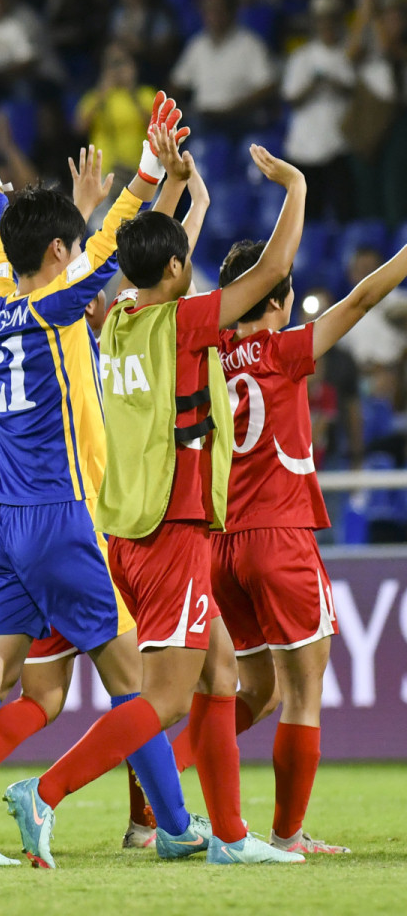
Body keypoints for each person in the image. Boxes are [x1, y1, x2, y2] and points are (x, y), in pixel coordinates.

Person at [3, 137, 311, 868]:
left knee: (221, 675)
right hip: (173, 530)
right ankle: (45, 792)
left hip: (134, 534)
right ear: (177, 270)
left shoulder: (119, 322)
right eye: (183, 260)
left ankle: (230, 838)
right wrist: (295, 187)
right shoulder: (185, 321)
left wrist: (185, 194)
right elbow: (270, 271)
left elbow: (155, 260)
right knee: (168, 699)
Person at [0, 107, 194, 867]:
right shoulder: (53, 309)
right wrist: (147, 173)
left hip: (2, 518)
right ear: (57, 250)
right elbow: (110, 245)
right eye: (69, 249)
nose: (81, 257)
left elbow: (8, 240)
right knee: (133, 680)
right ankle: (174, 825)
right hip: (60, 514)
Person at [202, 232, 407, 855]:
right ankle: (288, 836)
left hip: (218, 546)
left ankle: (159, 773)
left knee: (255, 691)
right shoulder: (285, 351)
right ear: (280, 300)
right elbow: (364, 299)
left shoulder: (203, 354)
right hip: (278, 536)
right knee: (302, 694)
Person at [282, 0, 396, 221]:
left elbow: (361, 88)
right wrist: (314, 85)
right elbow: (291, 99)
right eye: (321, 20)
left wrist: (336, 85)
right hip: (304, 148)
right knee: (307, 216)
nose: (327, 25)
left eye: (332, 19)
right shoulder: (302, 57)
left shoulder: (349, 53)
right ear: (315, 23)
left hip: (339, 147)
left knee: (345, 211)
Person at [170, 0, 276, 139]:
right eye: (208, 11)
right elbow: (178, 83)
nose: (213, 16)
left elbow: (268, 86)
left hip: (239, 117)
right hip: (204, 116)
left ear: (231, 12)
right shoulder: (197, 44)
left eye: (219, 10)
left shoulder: (250, 44)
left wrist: (233, 110)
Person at [75, 43, 157, 174]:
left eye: (122, 63)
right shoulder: (95, 97)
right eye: (112, 64)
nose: (118, 70)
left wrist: (132, 91)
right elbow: (79, 128)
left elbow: (157, 129)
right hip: (104, 170)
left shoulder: (145, 95)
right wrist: (102, 92)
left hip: (140, 170)